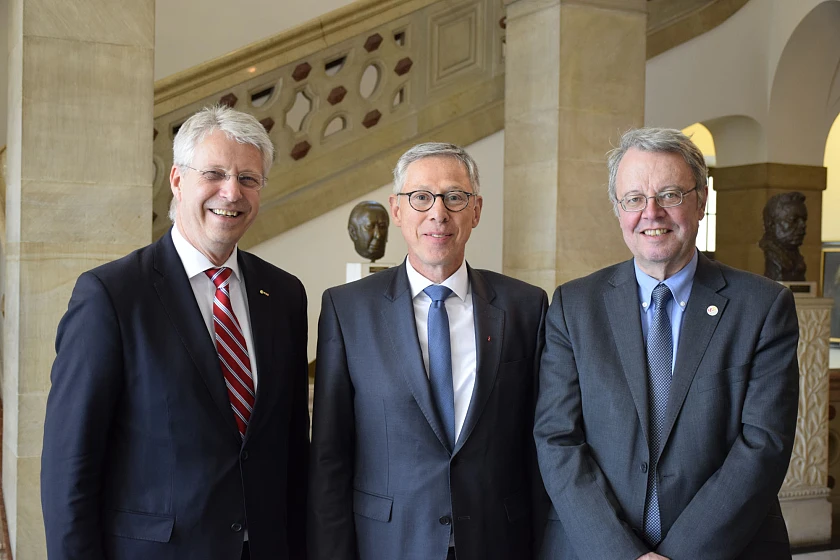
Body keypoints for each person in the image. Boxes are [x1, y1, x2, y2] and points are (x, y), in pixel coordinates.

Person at [41, 105, 310, 560]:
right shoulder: (111, 295)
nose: (232, 192)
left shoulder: (283, 294)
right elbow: (70, 466)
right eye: (215, 173)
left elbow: (291, 451)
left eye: (249, 179)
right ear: (177, 180)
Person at [535, 128, 799, 560]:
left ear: (701, 200)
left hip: (725, 549)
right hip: (596, 549)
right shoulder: (573, 306)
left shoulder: (764, 307)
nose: (651, 213)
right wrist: (622, 553)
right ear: (618, 210)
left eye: (670, 194)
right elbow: (557, 438)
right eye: (634, 199)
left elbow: (764, 444)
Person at [308, 142, 548, 560]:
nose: (438, 213)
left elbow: (539, 445)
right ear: (397, 209)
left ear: (476, 211)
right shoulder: (347, 309)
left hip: (499, 541)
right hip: (388, 543)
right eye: (421, 197)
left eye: (455, 197)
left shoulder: (525, 307)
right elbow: (330, 456)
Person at [759, 191, 808, 281]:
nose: (802, 225)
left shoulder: (798, 258)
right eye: (793, 220)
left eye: (804, 220)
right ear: (771, 224)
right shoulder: (771, 256)